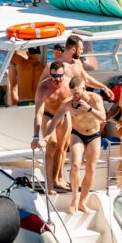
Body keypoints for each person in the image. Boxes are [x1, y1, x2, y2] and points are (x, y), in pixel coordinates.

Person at [41, 76, 107, 214]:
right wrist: (46, 137)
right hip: (77, 134)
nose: (75, 96)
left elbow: (103, 118)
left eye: (77, 93)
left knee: (91, 168)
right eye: (72, 93)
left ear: (84, 88)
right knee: (75, 165)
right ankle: (75, 199)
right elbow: (55, 120)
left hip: (94, 135)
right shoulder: (68, 103)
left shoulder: (95, 99)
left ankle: (83, 202)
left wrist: (89, 109)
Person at [32, 61, 72, 194]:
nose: (58, 79)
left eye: (60, 75)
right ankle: (50, 184)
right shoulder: (43, 88)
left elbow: (80, 96)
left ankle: (58, 178)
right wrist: (36, 136)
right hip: (48, 116)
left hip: (64, 116)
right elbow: (38, 113)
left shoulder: (69, 83)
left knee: (62, 148)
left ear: (64, 73)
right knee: (52, 145)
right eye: (54, 76)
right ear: (50, 74)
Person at [41, 35, 113, 99]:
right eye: (81, 49)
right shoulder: (52, 66)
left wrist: (103, 87)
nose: (82, 52)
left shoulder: (77, 62)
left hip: (75, 104)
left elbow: (86, 79)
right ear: (73, 50)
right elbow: (41, 88)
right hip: (60, 107)